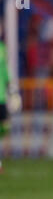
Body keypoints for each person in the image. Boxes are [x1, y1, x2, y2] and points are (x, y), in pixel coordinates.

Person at [0, 27, 9, 173]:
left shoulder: (2, 48)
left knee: (5, 126)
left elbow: (5, 71)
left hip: (1, 95)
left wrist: (12, 88)